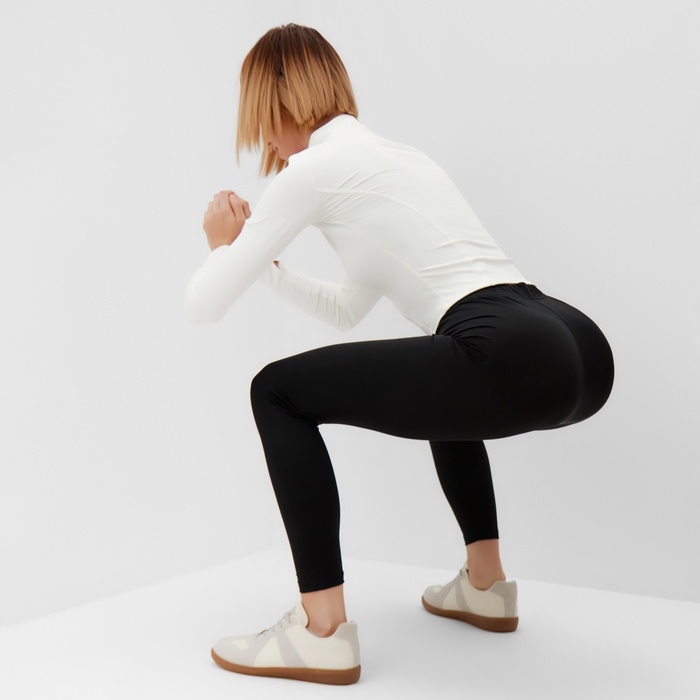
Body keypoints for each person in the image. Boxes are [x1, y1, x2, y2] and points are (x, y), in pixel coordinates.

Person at [185, 24, 614, 686]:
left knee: (275, 391)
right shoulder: (400, 157)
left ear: (283, 100)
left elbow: (203, 305)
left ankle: (321, 630)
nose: (264, 140)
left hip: (506, 346)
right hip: (573, 342)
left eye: (261, 118)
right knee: (443, 368)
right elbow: (345, 309)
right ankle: (485, 585)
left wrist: (226, 246)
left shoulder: (310, 171)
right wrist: (263, 265)